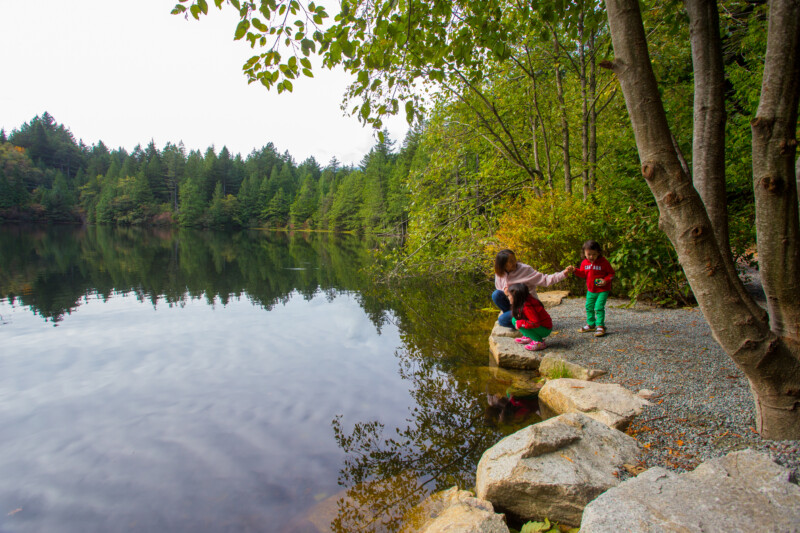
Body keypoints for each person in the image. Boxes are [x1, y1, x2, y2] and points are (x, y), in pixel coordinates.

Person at [492, 249, 573, 329]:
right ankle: (516, 318)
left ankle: (525, 323)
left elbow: (545, 280)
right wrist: (506, 291)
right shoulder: (500, 273)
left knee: (502, 320)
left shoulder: (525, 270)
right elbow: (500, 289)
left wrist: (563, 273)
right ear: (503, 264)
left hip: (527, 305)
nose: (514, 263)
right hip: (514, 303)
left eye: (514, 259)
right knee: (496, 294)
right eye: (510, 261)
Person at [574, 240, 615, 337]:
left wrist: (606, 280)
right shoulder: (584, 262)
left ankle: (600, 325)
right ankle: (591, 324)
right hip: (591, 290)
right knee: (589, 307)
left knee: (599, 307)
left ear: (598, 253)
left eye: (594, 254)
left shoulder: (604, 262)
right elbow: (583, 274)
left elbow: (611, 274)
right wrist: (575, 270)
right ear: (584, 253)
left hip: (603, 290)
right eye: (589, 254)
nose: (591, 257)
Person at [507, 282, 552, 351]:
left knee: (519, 323)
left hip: (545, 329)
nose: (508, 298)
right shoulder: (524, 302)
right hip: (540, 327)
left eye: (509, 296)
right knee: (514, 320)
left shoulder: (527, 307)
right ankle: (528, 336)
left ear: (515, 295)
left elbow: (535, 323)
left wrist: (521, 323)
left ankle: (539, 342)